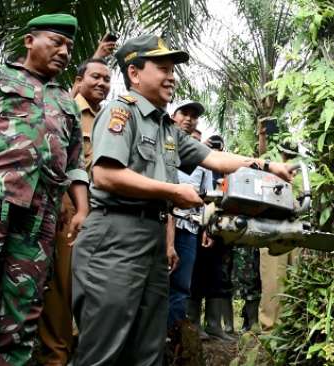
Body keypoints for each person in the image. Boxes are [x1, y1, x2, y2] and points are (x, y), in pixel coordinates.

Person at [71, 34, 293, 365]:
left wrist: (267, 166)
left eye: (173, 69)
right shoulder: (122, 112)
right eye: (162, 68)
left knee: (148, 348)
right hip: (114, 238)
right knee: (104, 348)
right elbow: (105, 175)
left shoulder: (168, 128)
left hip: (153, 239)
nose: (171, 76)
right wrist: (174, 192)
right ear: (134, 73)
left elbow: (215, 160)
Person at [0, 14, 89, 365]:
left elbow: (76, 163)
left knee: (21, 315)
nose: (65, 51)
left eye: (69, 46)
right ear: (30, 41)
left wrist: (81, 209)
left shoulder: (66, 104)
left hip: (39, 219)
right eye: (57, 41)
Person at [37, 57, 111, 365]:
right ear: (78, 80)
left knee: (93, 285)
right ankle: (56, 355)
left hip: (102, 210)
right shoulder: (63, 106)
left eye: (107, 79)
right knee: (61, 286)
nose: (102, 84)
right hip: (67, 206)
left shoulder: (109, 117)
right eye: (95, 77)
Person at [167, 100, 210, 330]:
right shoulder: (161, 144)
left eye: (194, 116)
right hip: (162, 225)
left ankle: (174, 340)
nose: (189, 118)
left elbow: (207, 198)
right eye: (184, 113)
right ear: (173, 115)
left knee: (182, 286)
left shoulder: (199, 159)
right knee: (156, 285)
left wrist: (208, 228)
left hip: (190, 228)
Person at [189, 134, 237, 341]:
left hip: (223, 229)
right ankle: (193, 323)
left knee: (219, 276)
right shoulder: (200, 163)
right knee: (197, 274)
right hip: (201, 226)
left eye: (219, 146)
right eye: (211, 145)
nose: (215, 148)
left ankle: (214, 325)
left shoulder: (228, 169)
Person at [259, 143, 301, 331]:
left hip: (296, 230)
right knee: (273, 281)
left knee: (294, 278)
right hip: (274, 229)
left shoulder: (300, 172)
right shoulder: (269, 168)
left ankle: (289, 327)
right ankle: (269, 328)